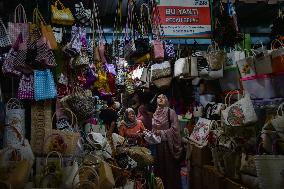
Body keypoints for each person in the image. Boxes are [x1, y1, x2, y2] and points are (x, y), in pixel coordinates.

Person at [152, 94, 182, 189]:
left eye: (163, 97)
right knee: (160, 167)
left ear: (166, 100)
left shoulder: (171, 112)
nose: (160, 99)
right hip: (158, 145)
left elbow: (175, 130)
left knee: (169, 167)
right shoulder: (155, 113)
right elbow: (154, 129)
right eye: (158, 97)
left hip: (168, 145)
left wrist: (161, 132)